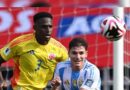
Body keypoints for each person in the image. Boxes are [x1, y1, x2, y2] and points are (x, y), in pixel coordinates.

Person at [0, 12, 68, 90]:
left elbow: (69, 68)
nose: (48, 30)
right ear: (35, 27)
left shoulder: (59, 49)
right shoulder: (20, 43)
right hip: (21, 87)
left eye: (50, 26)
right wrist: (1, 82)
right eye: (44, 27)